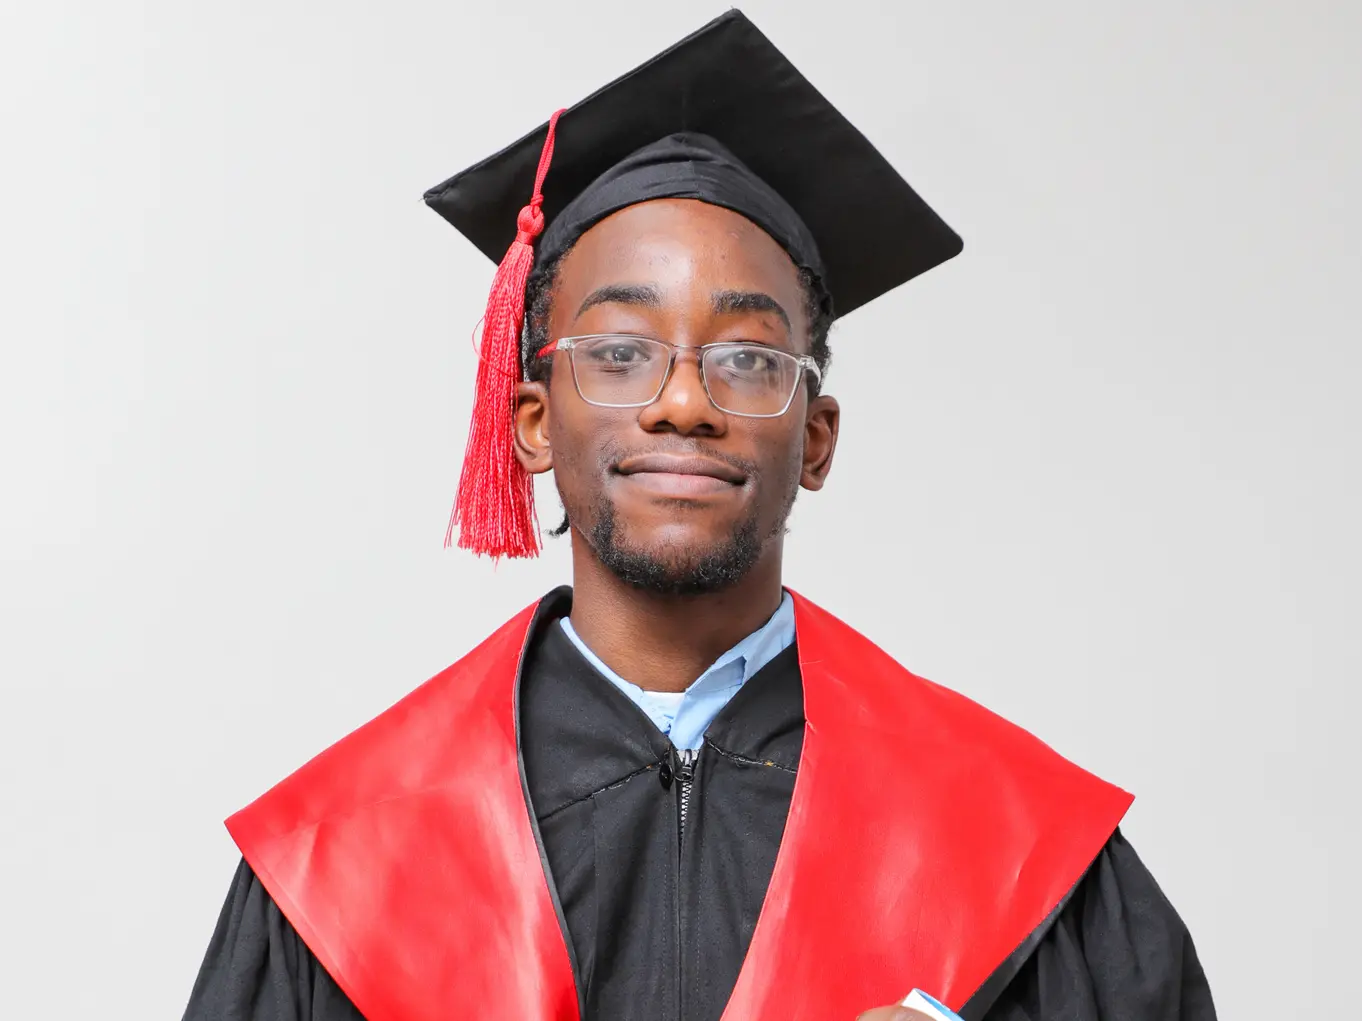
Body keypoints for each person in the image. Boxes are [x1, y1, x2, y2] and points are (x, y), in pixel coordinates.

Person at [182, 11, 1216, 1021]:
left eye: (749, 359)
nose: (684, 401)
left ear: (816, 439)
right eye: (619, 352)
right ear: (531, 423)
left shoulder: (1011, 838)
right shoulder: (350, 855)